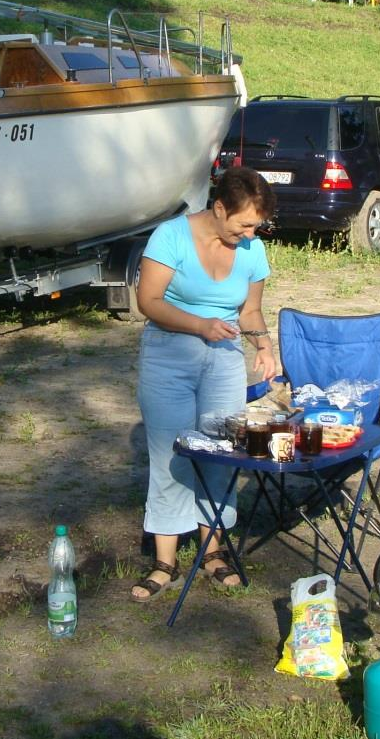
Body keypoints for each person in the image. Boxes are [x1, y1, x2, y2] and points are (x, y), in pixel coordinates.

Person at [129, 166, 278, 603]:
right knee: (172, 453)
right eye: (244, 223)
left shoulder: (252, 250)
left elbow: (249, 312)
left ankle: (212, 551)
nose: (251, 232)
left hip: (224, 362)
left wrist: (264, 348)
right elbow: (147, 302)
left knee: (219, 452)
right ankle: (164, 561)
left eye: (257, 225)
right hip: (168, 356)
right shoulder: (171, 237)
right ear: (218, 208)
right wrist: (200, 325)